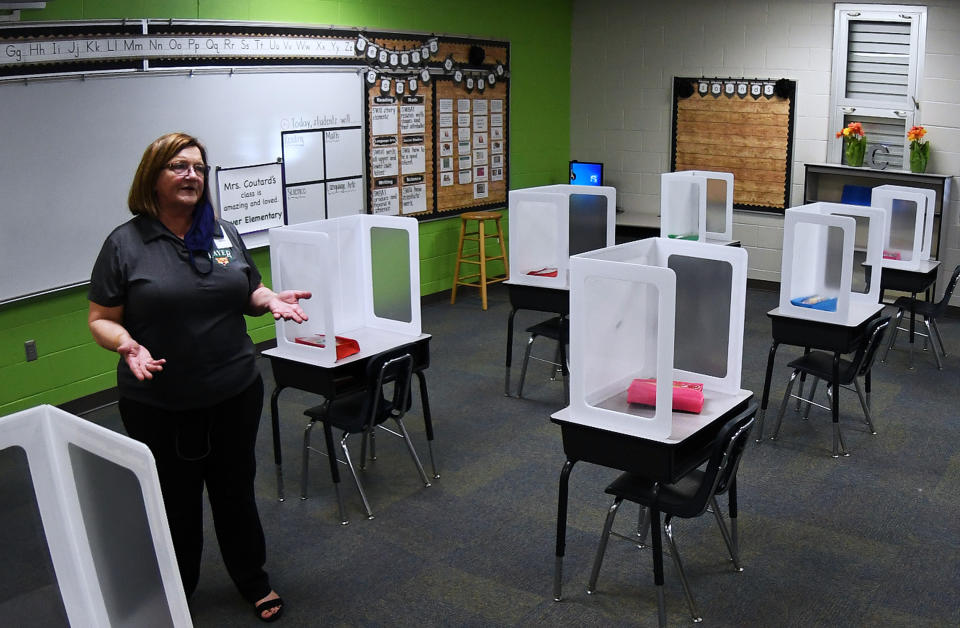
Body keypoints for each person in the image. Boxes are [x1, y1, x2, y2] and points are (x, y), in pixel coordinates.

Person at [88, 132, 309, 623]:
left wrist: (269, 301)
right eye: (178, 166)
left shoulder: (222, 232)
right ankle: (177, 588)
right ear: (153, 176)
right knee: (176, 500)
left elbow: (249, 290)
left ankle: (252, 579)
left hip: (234, 390)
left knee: (235, 490)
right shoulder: (125, 243)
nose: (192, 175)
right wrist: (126, 344)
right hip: (160, 403)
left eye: (199, 168)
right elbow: (101, 318)